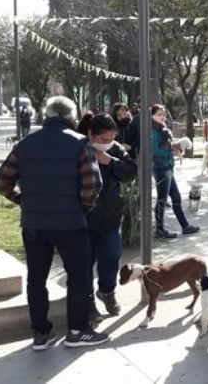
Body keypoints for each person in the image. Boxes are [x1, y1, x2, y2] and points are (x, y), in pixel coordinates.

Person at [0, 96, 108, 350]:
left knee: (36, 278)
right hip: (70, 223)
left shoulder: (25, 144)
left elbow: (2, 180)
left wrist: (22, 200)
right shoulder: (79, 143)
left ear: (46, 116)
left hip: (34, 222)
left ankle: (41, 333)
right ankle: (77, 330)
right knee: (78, 277)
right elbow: (93, 183)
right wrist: (82, 208)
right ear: (71, 117)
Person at [76, 112, 137, 319]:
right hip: (83, 220)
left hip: (111, 217)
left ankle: (107, 291)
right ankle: (88, 305)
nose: (108, 143)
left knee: (111, 258)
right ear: (91, 134)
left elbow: (131, 172)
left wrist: (110, 161)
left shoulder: (115, 149)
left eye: (112, 139)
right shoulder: (78, 147)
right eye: (104, 140)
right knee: (84, 265)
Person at [151, 104, 200, 239]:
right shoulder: (153, 130)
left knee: (176, 197)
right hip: (161, 167)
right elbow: (154, 151)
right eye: (159, 114)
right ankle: (160, 229)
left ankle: (185, 226)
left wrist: (171, 149)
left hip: (167, 165)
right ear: (152, 115)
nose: (163, 117)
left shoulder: (161, 128)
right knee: (162, 199)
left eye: (164, 114)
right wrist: (169, 150)